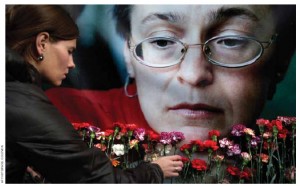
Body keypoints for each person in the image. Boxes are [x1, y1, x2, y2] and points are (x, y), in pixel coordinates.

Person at [46, 5, 295, 145]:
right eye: (163, 41)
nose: (194, 74)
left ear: (280, 61)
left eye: (231, 41)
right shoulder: (53, 123)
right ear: (128, 55)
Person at [6, 5, 183, 183]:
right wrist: (155, 170)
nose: (71, 63)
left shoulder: (15, 92)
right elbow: (100, 179)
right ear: (42, 43)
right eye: (69, 51)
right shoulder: (25, 103)